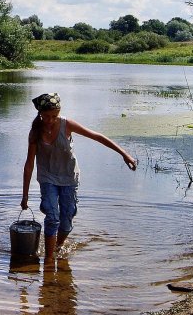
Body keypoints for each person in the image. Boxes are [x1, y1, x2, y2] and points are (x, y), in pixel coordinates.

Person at [20, 92, 137, 267]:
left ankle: (58, 246)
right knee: (52, 217)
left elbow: (97, 136)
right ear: (40, 114)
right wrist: (25, 196)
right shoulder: (35, 132)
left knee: (66, 220)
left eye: (55, 116)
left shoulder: (67, 125)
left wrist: (124, 154)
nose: (51, 120)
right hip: (48, 178)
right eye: (47, 116)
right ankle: (49, 260)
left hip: (68, 177)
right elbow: (29, 164)